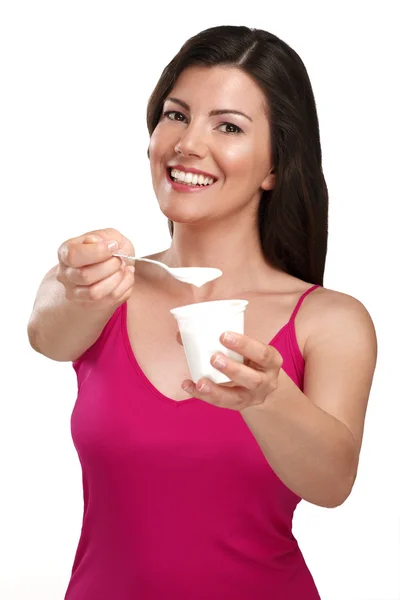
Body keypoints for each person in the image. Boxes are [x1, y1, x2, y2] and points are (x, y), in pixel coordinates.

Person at [27, 25, 377, 600]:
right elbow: (46, 332)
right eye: (176, 114)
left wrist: (269, 398)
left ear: (274, 168)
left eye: (229, 126)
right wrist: (74, 283)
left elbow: (333, 483)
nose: (188, 142)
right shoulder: (105, 283)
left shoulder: (329, 321)